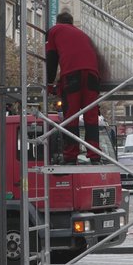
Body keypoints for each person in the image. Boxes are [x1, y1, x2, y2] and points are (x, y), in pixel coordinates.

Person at [45, 10, 102, 164]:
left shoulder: (54, 31)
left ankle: (71, 155)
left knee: (71, 116)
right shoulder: (82, 34)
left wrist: (49, 83)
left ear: (58, 22)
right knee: (91, 116)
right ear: (71, 22)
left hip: (72, 75)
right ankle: (95, 154)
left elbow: (51, 58)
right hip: (92, 75)